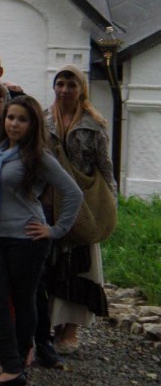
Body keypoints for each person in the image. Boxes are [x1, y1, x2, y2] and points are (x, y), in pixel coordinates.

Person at [0, 95, 82, 386]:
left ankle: (14, 368)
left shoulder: (37, 156)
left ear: (32, 124)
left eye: (21, 119)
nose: (14, 124)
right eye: (10, 117)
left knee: (23, 301)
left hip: (26, 239)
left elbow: (73, 192)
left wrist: (54, 230)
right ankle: (9, 360)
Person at [45, 65, 117, 355]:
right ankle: (52, 326)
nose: (64, 90)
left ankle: (70, 329)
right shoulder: (45, 119)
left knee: (80, 266)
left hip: (84, 202)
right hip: (51, 200)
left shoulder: (93, 124)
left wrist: (109, 205)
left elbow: (105, 166)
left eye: (70, 85)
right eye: (60, 83)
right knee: (53, 264)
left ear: (81, 89)